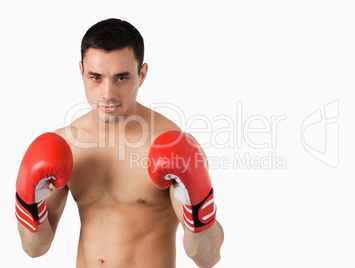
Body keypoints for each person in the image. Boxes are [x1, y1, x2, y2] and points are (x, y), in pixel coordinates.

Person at [15, 18, 224, 267]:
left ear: (142, 74)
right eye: (95, 77)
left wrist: (197, 205)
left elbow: (207, 257)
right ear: (81, 71)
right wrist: (29, 201)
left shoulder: (171, 144)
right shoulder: (66, 143)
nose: (107, 93)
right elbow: (35, 248)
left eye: (121, 78)